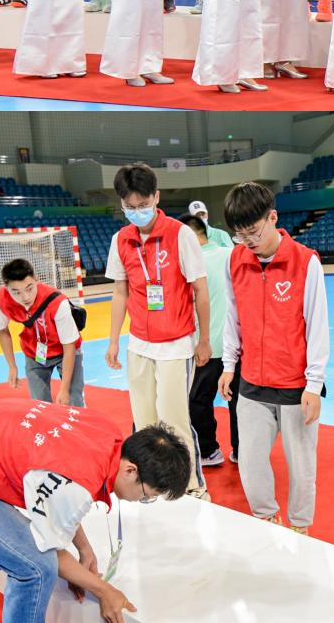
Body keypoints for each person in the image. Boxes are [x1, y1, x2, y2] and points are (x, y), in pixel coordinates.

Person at [0, 401, 190, 623]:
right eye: (147, 496)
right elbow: (50, 550)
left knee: (4, 546)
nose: (140, 501)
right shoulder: (76, 486)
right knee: (35, 569)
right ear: (131, 471)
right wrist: (104, 590)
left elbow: (59, 490)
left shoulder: (106, 433)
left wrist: (84, 549)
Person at [219, 182, 329, 536]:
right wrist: (229, 365)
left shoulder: (305, 262)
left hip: (295, 385)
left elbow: (317, 325)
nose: (247, 241)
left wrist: (314, 383)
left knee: (302, 466)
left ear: (273, 217)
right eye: (240, 235)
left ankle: (300, 526)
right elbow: (232, 317)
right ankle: (265, 518)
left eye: (253, 231)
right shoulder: (235, 261)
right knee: (250, 461)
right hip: (252, 382)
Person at [104, 163, 210, 497]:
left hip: (176, 344)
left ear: (157, 197)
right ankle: (152, 485)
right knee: (144, 422)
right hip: (138, 344)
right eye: (130, 206)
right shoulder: (121, 240)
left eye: (143, 204)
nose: (137, 211)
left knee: (174, 421)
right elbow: (120, 292)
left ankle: (192, 486)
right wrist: (113, 342)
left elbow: (200, 290)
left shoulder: (181, 235)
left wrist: (204, 340)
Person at [181, 214, 236, 467]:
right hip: (236, 345)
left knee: (198, 400)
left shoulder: (190, 265)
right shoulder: (230, 255)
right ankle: (242, 451)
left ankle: (208, 450)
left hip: (207, 345)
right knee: (238, 401)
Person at [0, 257, 85, 406]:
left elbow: (69, 346)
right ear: (6, 288)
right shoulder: (0, 299)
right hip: (35, 352)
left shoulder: (57, 302)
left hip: (65, 350)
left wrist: (64, 390)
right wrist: (12, 366)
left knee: (74, 399)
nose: (25, 297)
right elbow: (2, 330)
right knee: (40, 404)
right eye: (16, 292)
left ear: (36, 280)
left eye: (29, 288)